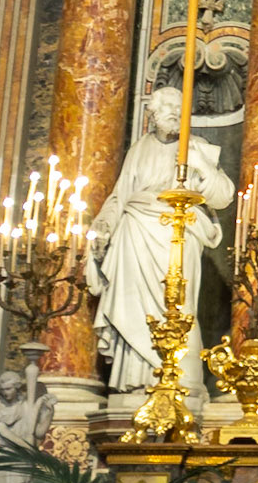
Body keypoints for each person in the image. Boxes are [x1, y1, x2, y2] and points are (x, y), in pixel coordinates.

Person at [85, 87, 234, 393]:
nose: (170, 113)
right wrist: (104, 225)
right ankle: (136, 380)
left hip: (177, 234)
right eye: (162, 108)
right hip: (134, 233)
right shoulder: (138, 149)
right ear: (151, 115)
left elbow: (222, 196)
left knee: (177, 305)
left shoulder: (197, 146)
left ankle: (181, 380)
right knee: (132, 307)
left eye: (175, 108)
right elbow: (120, 196)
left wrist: (202, 165)